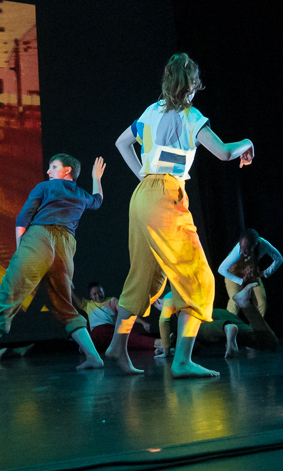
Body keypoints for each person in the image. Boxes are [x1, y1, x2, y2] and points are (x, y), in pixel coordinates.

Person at [108, 54, 255, 379]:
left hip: (142, 196)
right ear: (190, 85)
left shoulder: (150, 112)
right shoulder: (190, 116)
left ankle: (118, 346)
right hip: (166, 196)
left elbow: (121, 143)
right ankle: (183, 360)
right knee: (198, 277)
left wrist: (145, 178)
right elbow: (224, 152)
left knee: (145, 276)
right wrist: (248, 142)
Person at [0, 155, 109, 378]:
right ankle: (94, 356)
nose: (48, 171)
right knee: (64, 304)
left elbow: (24, 216)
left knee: (9, 294)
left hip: (40, 237)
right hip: (67, 245)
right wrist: (96, 178)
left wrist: (20, 249)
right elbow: (97, 200)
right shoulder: (81, 195)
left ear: (67, 171)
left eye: (53, 167)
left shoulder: (45, 186)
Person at [217, 228, 283, 316]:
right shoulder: (237, 251)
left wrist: (265, 273)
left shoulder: (263, 245)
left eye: (246, 250)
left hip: (250, 272)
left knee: (262, 303)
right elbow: (221, 269)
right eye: (241, 247)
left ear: (254, 245)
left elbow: (279, 258)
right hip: (233, 273)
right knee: (235, 301)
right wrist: (240, 281)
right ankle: (229, 327)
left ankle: (255, 327)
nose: (243, 252)